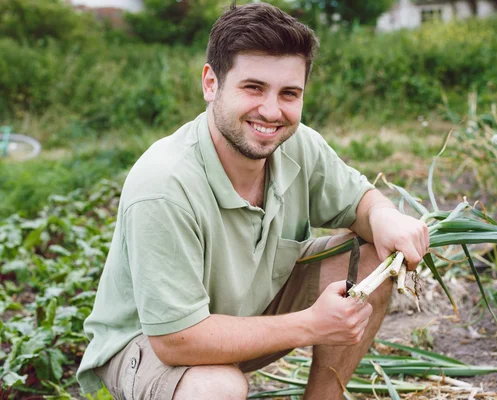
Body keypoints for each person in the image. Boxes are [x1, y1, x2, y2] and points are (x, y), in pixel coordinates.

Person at [76, 3, 429, 399]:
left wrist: (383, 216)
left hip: (244, 315)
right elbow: (176, 340)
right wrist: (312, 324)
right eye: (253, 87)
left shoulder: (298, 144)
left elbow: (361, 202)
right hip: (152, 345)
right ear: (211, 83)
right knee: (216, 388)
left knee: (372, 260)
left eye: (289, 93)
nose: (271, 111)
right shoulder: (164, 184)